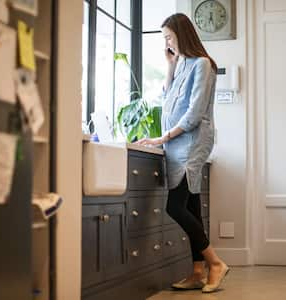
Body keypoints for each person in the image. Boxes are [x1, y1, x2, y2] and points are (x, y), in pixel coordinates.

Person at [136, 13, 229, 293]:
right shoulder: (182, 64)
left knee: (174, 206)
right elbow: (166, 99)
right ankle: (198, 271)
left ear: (181, 33)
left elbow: (194, 113)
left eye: (168, 36)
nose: (166, 42)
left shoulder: (202, 64)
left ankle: (215, 263)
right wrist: (171, 64)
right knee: (191, 206)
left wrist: (162, 138)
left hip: (191, 142)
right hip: (175, 145)